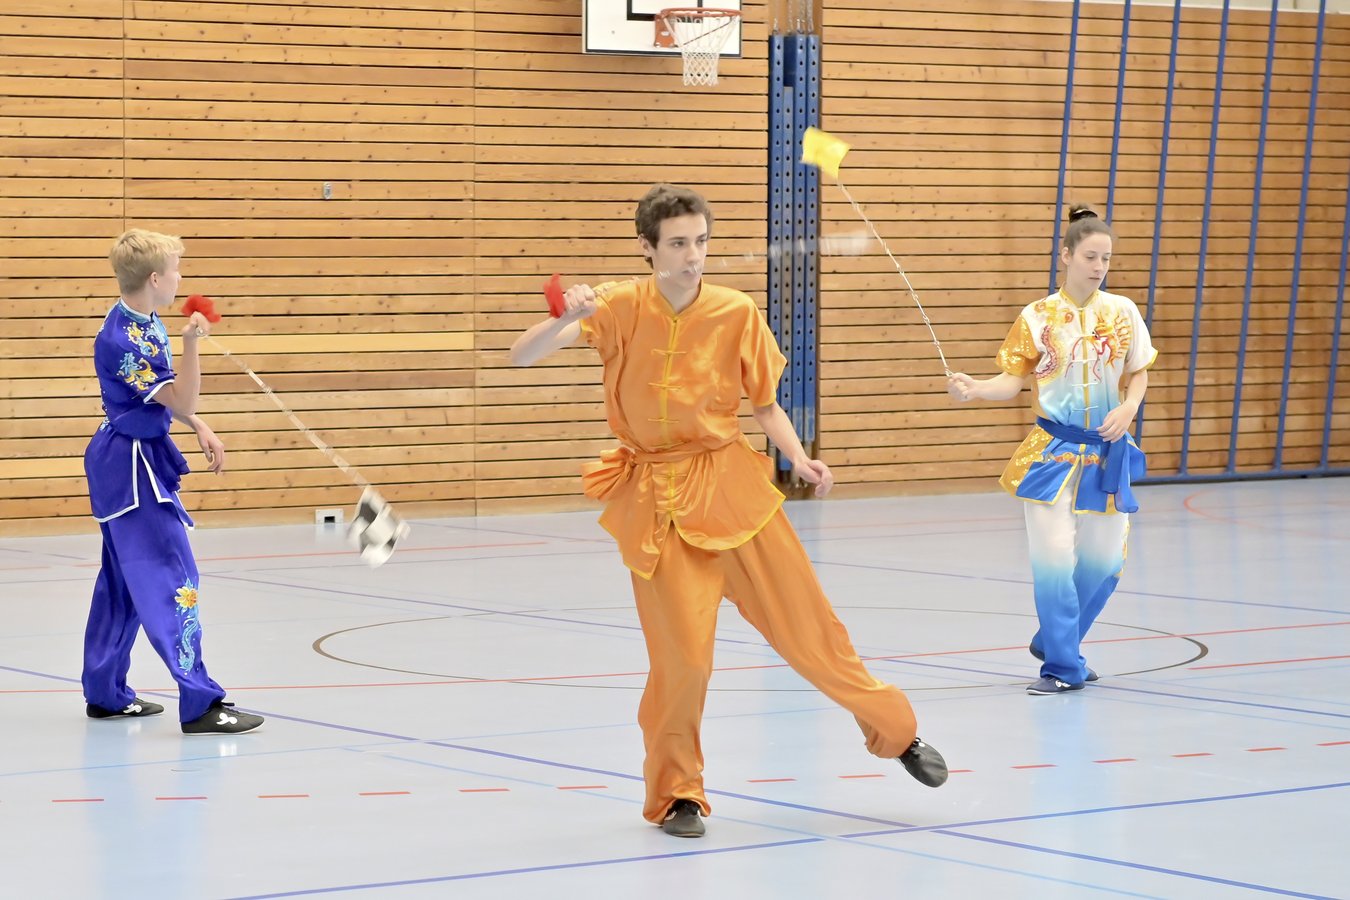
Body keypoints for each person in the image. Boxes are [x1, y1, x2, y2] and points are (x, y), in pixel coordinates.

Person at [511, 184, 946, 838]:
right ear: (647, 247)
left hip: (733, 490)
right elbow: (521, 354)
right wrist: (564, 317)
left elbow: (764, 404)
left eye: (701, 242)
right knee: (682, 663)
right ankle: (677, 795)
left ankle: (897, 732)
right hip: (657, 505)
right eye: (678, 244)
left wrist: (799, 459)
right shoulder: (617, 306)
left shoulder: (735, 311)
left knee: (810, 632)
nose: (693, 256)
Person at [946, 205, 1157, 696]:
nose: (1099, 266)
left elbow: (1139, 371)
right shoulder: (1036, 317)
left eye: (1106, 258)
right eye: (1090, 256)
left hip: (1106, 454)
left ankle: (1054, 641)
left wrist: (1129, 407)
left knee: (1105, 562)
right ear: (1066, 255)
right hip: (1050, 455)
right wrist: (975, 389)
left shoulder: (1123, 312)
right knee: (1054, 562)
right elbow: (1012, 380)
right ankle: (1063, 667)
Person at [81, 228, 264, 735]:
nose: (181, 279)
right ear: (155, 279)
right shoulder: (122, 339)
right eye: (175, 271)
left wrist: (197, 425)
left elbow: (162, 400)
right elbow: (182, 396)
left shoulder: (142, 318)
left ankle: (106, 692)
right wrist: (191, 345)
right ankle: (201, 703)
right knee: (174, 578)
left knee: (122, 582)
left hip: (131, 456)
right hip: (131, 470)